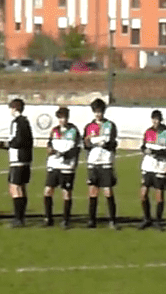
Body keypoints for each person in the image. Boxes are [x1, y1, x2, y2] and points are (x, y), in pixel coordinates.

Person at [83, 97, 120, 229]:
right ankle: (92, 220)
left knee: (108, 191)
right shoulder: (89, 127)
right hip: (93, 162)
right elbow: (85, 144)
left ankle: (112, 220)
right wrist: (89, 142)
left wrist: (106, 144)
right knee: (93, 191)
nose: (98, 114)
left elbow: (114, 143)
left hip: (106, 162)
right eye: (96, 111)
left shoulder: (110, 125)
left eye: (100, 111)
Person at [42, 106, 81, 228]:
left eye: (64, 117)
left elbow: (77, 148)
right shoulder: (54, 130)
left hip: (67, 166)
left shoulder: (74, 130)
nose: (62, 120)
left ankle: (66, 220)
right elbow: (49, 144)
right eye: (60, 117)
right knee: (48, 191)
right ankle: (48, 218)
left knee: (66, 193)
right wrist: (50, 149)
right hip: (54, 165)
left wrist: (65, 155)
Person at [139, 109, 166, 231]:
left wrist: (157, 152)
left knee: (159, 196)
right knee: (143, 194)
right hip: (148, 166)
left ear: (160, 120)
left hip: (160, 167)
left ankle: (158, 221)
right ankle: (147, 218)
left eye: (157, 119)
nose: (155, 121)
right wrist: (144, 150)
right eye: (154, 119)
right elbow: (144, 146)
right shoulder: (148, 132)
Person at [0, 98, 33, 228]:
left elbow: (17, 141)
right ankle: (21, 217)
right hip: (25, 159)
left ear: (14, 109)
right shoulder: (26, 122)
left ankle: (18, 218)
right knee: (22, 187)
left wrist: (6, 144)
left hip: (17, 159)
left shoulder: (17, 122)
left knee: (15, 187)